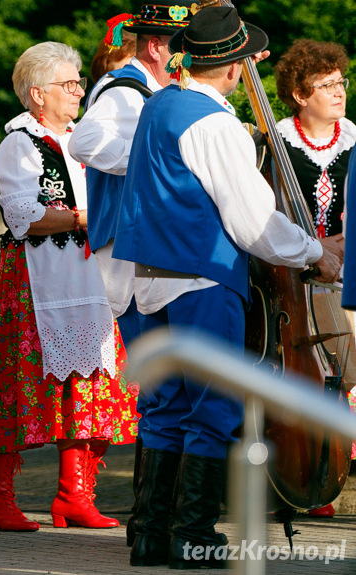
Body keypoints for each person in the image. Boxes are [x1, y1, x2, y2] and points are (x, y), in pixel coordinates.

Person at [112, 6, 341, 568]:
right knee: (214, 406)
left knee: (165, 407)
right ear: (236, 67)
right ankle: (194, 537)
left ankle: (150, 534)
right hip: (202, 276)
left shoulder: (160, 102)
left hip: (148, 277)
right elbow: (253, 221)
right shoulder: (213, 122)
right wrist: (317, 254)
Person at [0, 41, 138, 533]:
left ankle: (75, 494)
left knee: (89, 384)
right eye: (70, 84)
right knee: (22, 384)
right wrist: (89, 216)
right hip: (38, 278)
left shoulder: (88, 139)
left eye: (80, 81)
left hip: (92, 277)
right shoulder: (20, 143)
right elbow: (23, 216)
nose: (80, 90)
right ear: (37, 94)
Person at [68, 1, 192, 547]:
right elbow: (85, 143)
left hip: (141, 248)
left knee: (167, 387)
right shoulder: (124, 91)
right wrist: (159, 153)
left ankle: (153, 525)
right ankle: (152, 524)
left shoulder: (148, 91)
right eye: (184, 45)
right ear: (158, 46)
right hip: (129, 252)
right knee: (165, 388)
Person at [274, 38, 356, 519]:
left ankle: (335, 469)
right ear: (300, 95)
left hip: (349, 268)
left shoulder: (355, 138)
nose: (338, 91)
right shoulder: (277, 140)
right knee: (309, 375)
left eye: (340, 81)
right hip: (295, 274)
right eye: (325, 85)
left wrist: (347, 242)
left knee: (348, 372)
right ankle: (308, 471)